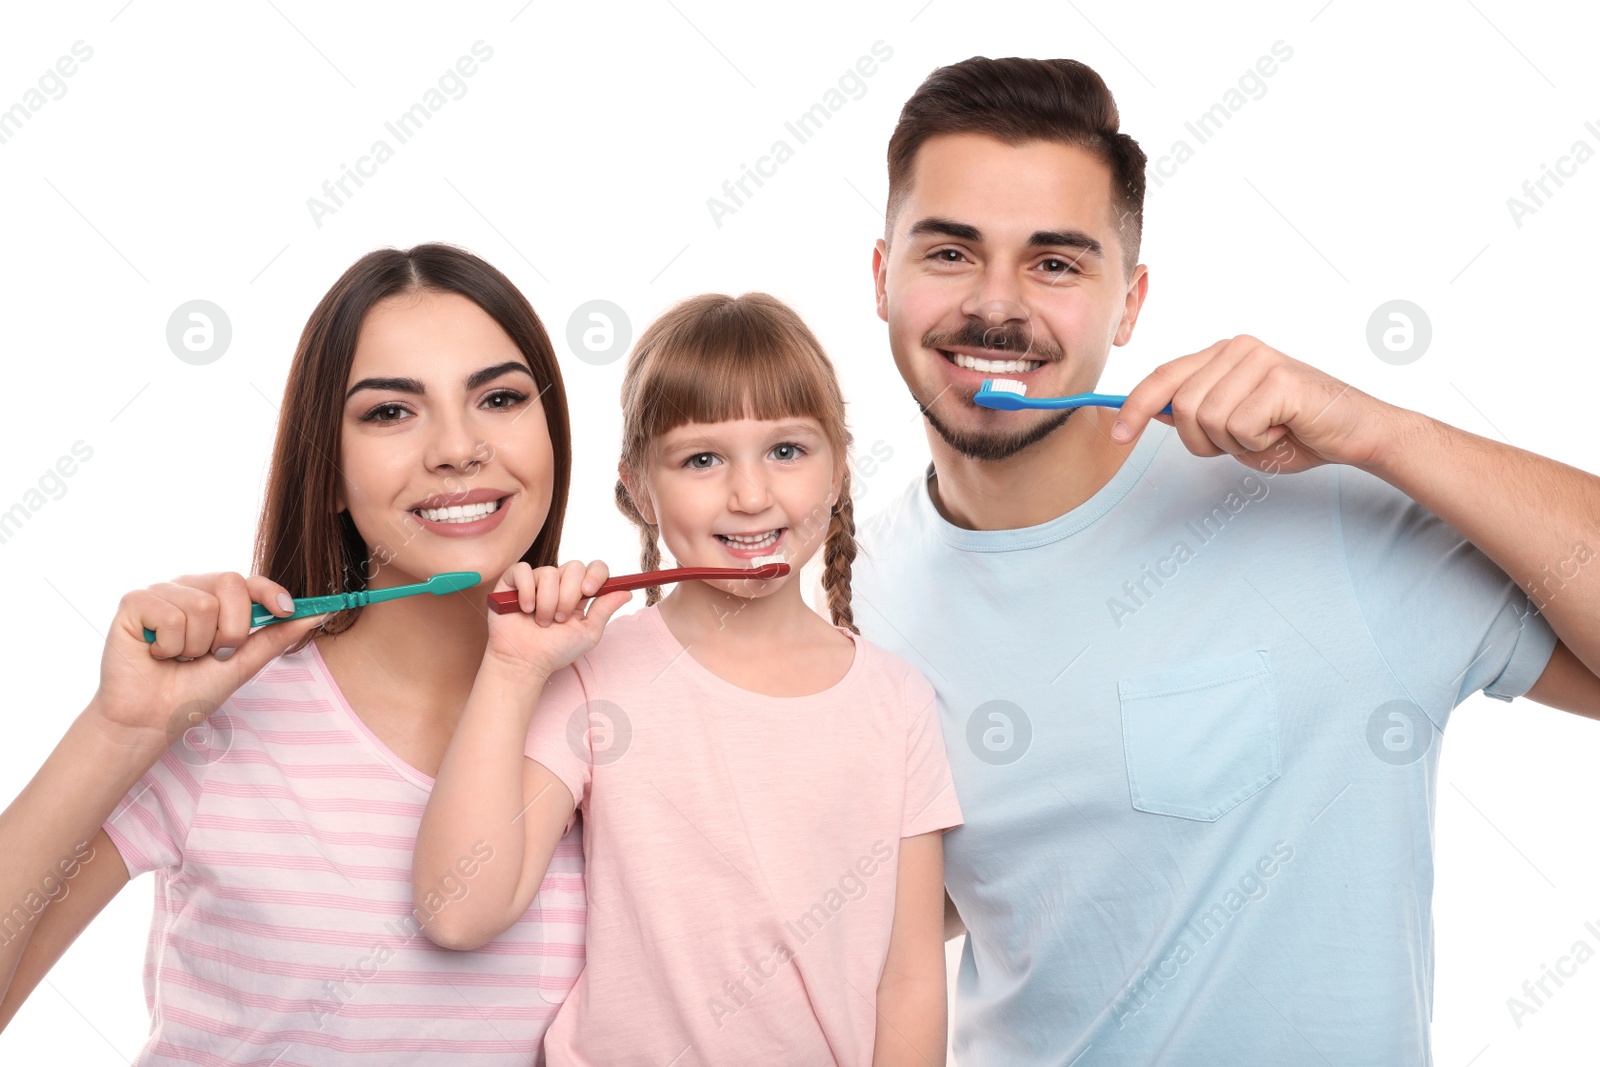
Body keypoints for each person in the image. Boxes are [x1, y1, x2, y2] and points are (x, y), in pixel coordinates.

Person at [847, 57, 1600, 1064]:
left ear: (1128, 303)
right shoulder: (860, 588)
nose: (995, 306)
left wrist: (1382, 433)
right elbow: (961, 889)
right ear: (881, 276)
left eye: (1056, 263)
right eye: (948, 252)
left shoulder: (1327, 510)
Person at [0, 243, 600, 1065]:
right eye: (391, 411)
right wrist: (119, 726)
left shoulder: (615, 710)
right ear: (326, 468)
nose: (459, 448)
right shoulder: (218, 714)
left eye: (499, 397)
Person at [413, 292, 963, 1065]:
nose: (749, 495)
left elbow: (908, 980)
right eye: (702, 459)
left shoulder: (897, 703)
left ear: (839, 467)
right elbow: (457, 910)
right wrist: (511, 666)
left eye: (787, 450)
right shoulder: (593, 673)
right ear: (639, 487)